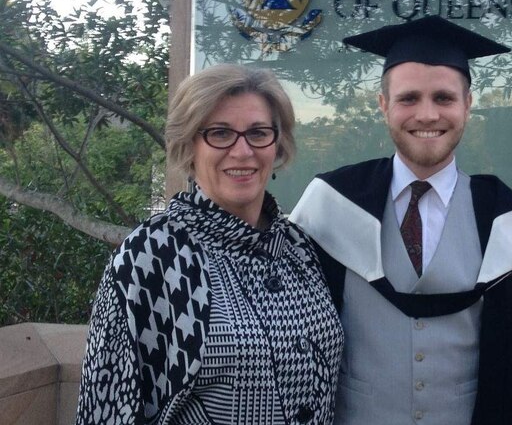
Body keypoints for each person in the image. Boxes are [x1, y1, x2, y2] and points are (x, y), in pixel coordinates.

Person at [291, 15, 512, 425]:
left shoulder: (510, 221)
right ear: (383, 105)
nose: (427, 114)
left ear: (468, 105)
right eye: (408, 98)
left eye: (444, 98)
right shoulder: (329, 205)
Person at [76, 64, 344, 424]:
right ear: (189, 146)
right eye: (220, 134)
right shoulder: (152, 256)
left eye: (258, 133)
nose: (242, 151)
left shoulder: (300, 249)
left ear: (277, 143)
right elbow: (106, 407)